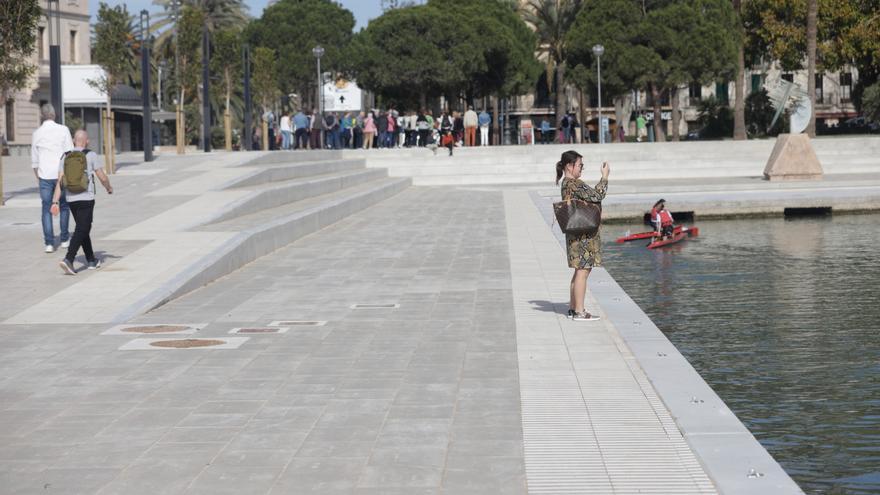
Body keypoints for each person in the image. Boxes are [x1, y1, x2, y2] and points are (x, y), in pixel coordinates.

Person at [556, 150, 610, 321]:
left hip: (575, 232)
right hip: (583, 235)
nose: (581, 169)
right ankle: (579, 311)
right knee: (583, 272)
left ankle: (573, 308)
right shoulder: (574, 183)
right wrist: (605, 176)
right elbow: (597, 195)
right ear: (569, 166)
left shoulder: (566, 183)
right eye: (580, 165)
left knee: (579, 271)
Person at [50, 130, 113, 274]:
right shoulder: (90, 155)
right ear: (87, 141)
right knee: (83, 228)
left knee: (82, 228)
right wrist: (108, 187)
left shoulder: (65, 156)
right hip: (86, 198)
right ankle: (69, 259)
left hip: (71, 198)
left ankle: (91, 260)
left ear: (74, 140)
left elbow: (60, 181)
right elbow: (102, 176)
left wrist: (55, 201)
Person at [31, 103, 73, 253]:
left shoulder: (37, 133)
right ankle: (64, 239)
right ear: (54, 115)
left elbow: (34, 161)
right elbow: (70, 154)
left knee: (46, 208)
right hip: (61, 174)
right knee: (64, 206)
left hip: (44, 175)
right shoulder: (63, 130)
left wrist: (39, 179)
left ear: (42, 116)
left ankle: (49, 243)